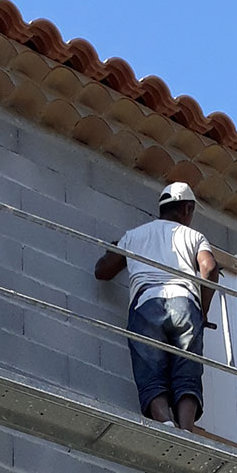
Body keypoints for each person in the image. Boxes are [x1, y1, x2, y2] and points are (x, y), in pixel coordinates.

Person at [94, 182, 219, 432]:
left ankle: (163, 422)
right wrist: (203, 311)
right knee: (187, 372)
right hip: (185, 304)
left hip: (146, 304)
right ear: (186, 209)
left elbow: (102, 271)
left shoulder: (135, 235)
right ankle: (186, 430)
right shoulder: (194, 237)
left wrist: (117, 247)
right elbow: (210, 268)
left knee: (150, 369)